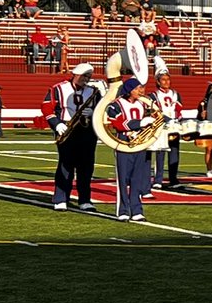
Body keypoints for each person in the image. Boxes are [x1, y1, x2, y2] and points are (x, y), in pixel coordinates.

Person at [42, 63, 99, 212]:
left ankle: (85, 199)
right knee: (66, 164)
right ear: (75, 74)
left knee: (86, 167)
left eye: (88, 76)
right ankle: (61, 198)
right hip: (66, 129)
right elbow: (47, 108)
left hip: (87, 130)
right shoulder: (59, 88)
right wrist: (56, 124)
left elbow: (102, 109)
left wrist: (93, 113)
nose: (86, 79)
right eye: (83, 76)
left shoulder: (94, 91)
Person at [105, 77, 153, 221]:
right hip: (123, 142)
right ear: (129, 90)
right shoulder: (116, 105)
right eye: (138, 88)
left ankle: (137, 209)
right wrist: (139, 123)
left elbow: (152, 121)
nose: (141, 91)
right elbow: (118, 124)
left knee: (137, 178)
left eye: (142, 88)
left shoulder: (143, 104)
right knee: (123, 177)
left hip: (140, 142)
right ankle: (123, 210)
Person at [151, 60, 183, 189]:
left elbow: (179, 109)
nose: (166, 82)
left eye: (168, 79)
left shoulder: (175, 94)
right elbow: (153, 111)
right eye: (163, 80)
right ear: (158, 81)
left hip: (173, 127)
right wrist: (164, 118)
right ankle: (158, 179)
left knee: (174, 153)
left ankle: (173, 179)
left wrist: (177, 118)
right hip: (161, 127)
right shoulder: (153, 95)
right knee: (160, 153)